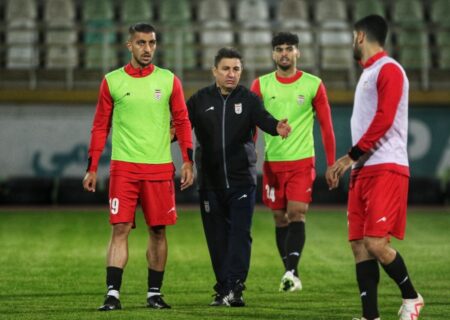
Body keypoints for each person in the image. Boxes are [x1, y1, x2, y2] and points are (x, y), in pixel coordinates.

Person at [82, 22, 194, 311]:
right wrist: (92, 166)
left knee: (158, 231)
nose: (147, 49)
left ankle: (154, 294)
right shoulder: (112, 81)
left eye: (152, 43)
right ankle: (112, 295)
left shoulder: (169, 80)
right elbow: (99, 126)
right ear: (129, 45)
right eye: (141, 43)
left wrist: (188, 160)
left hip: (159, 169)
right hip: (124, 169)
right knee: (120, 229)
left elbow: (182, 121)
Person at [330, 15, 424, 320]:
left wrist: (349, 157)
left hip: (387, 166)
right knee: (359, 245)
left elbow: (384, 119)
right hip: (364, 170)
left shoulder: (390, 69)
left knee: (376, 242)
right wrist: (354, 163)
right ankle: (371, 317)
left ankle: (412, 297)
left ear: (360, 36)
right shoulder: (369, 72)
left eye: (352, 38)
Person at [186, 47, 291, 307]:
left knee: (240, 235)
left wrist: (276, 127)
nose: (231, 74)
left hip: (242, 181)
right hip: (209, 184)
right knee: (217, 238)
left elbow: (264, 119)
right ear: (214, 71)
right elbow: (179, 126)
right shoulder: (199, 100)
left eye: (236, 69)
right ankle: (223, 289)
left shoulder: (249, 99)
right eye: (226, 69)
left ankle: (235, 287)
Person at [250, 32, 336, 292]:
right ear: (273, 54)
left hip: (301, 162)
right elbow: (253, 125)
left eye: (289, 49)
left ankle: (289, 271)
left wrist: (331, 163)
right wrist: (248, 157)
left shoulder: (313, 84)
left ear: (297, 52)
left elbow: (326, 126)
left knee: (296, 212)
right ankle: (292, 273)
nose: (284, 53)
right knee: (279, 218)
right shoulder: (260, 85)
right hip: (273, 163)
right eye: (279, 49)